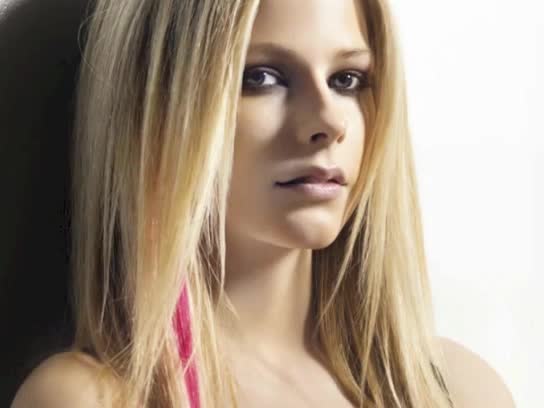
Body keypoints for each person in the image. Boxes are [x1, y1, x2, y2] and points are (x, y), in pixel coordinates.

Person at [11, 0, 516, 407]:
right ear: (160, 111)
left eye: (346, 80)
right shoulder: (91, 399)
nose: (328, 122)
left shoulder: (459, 392)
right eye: (262, 78)